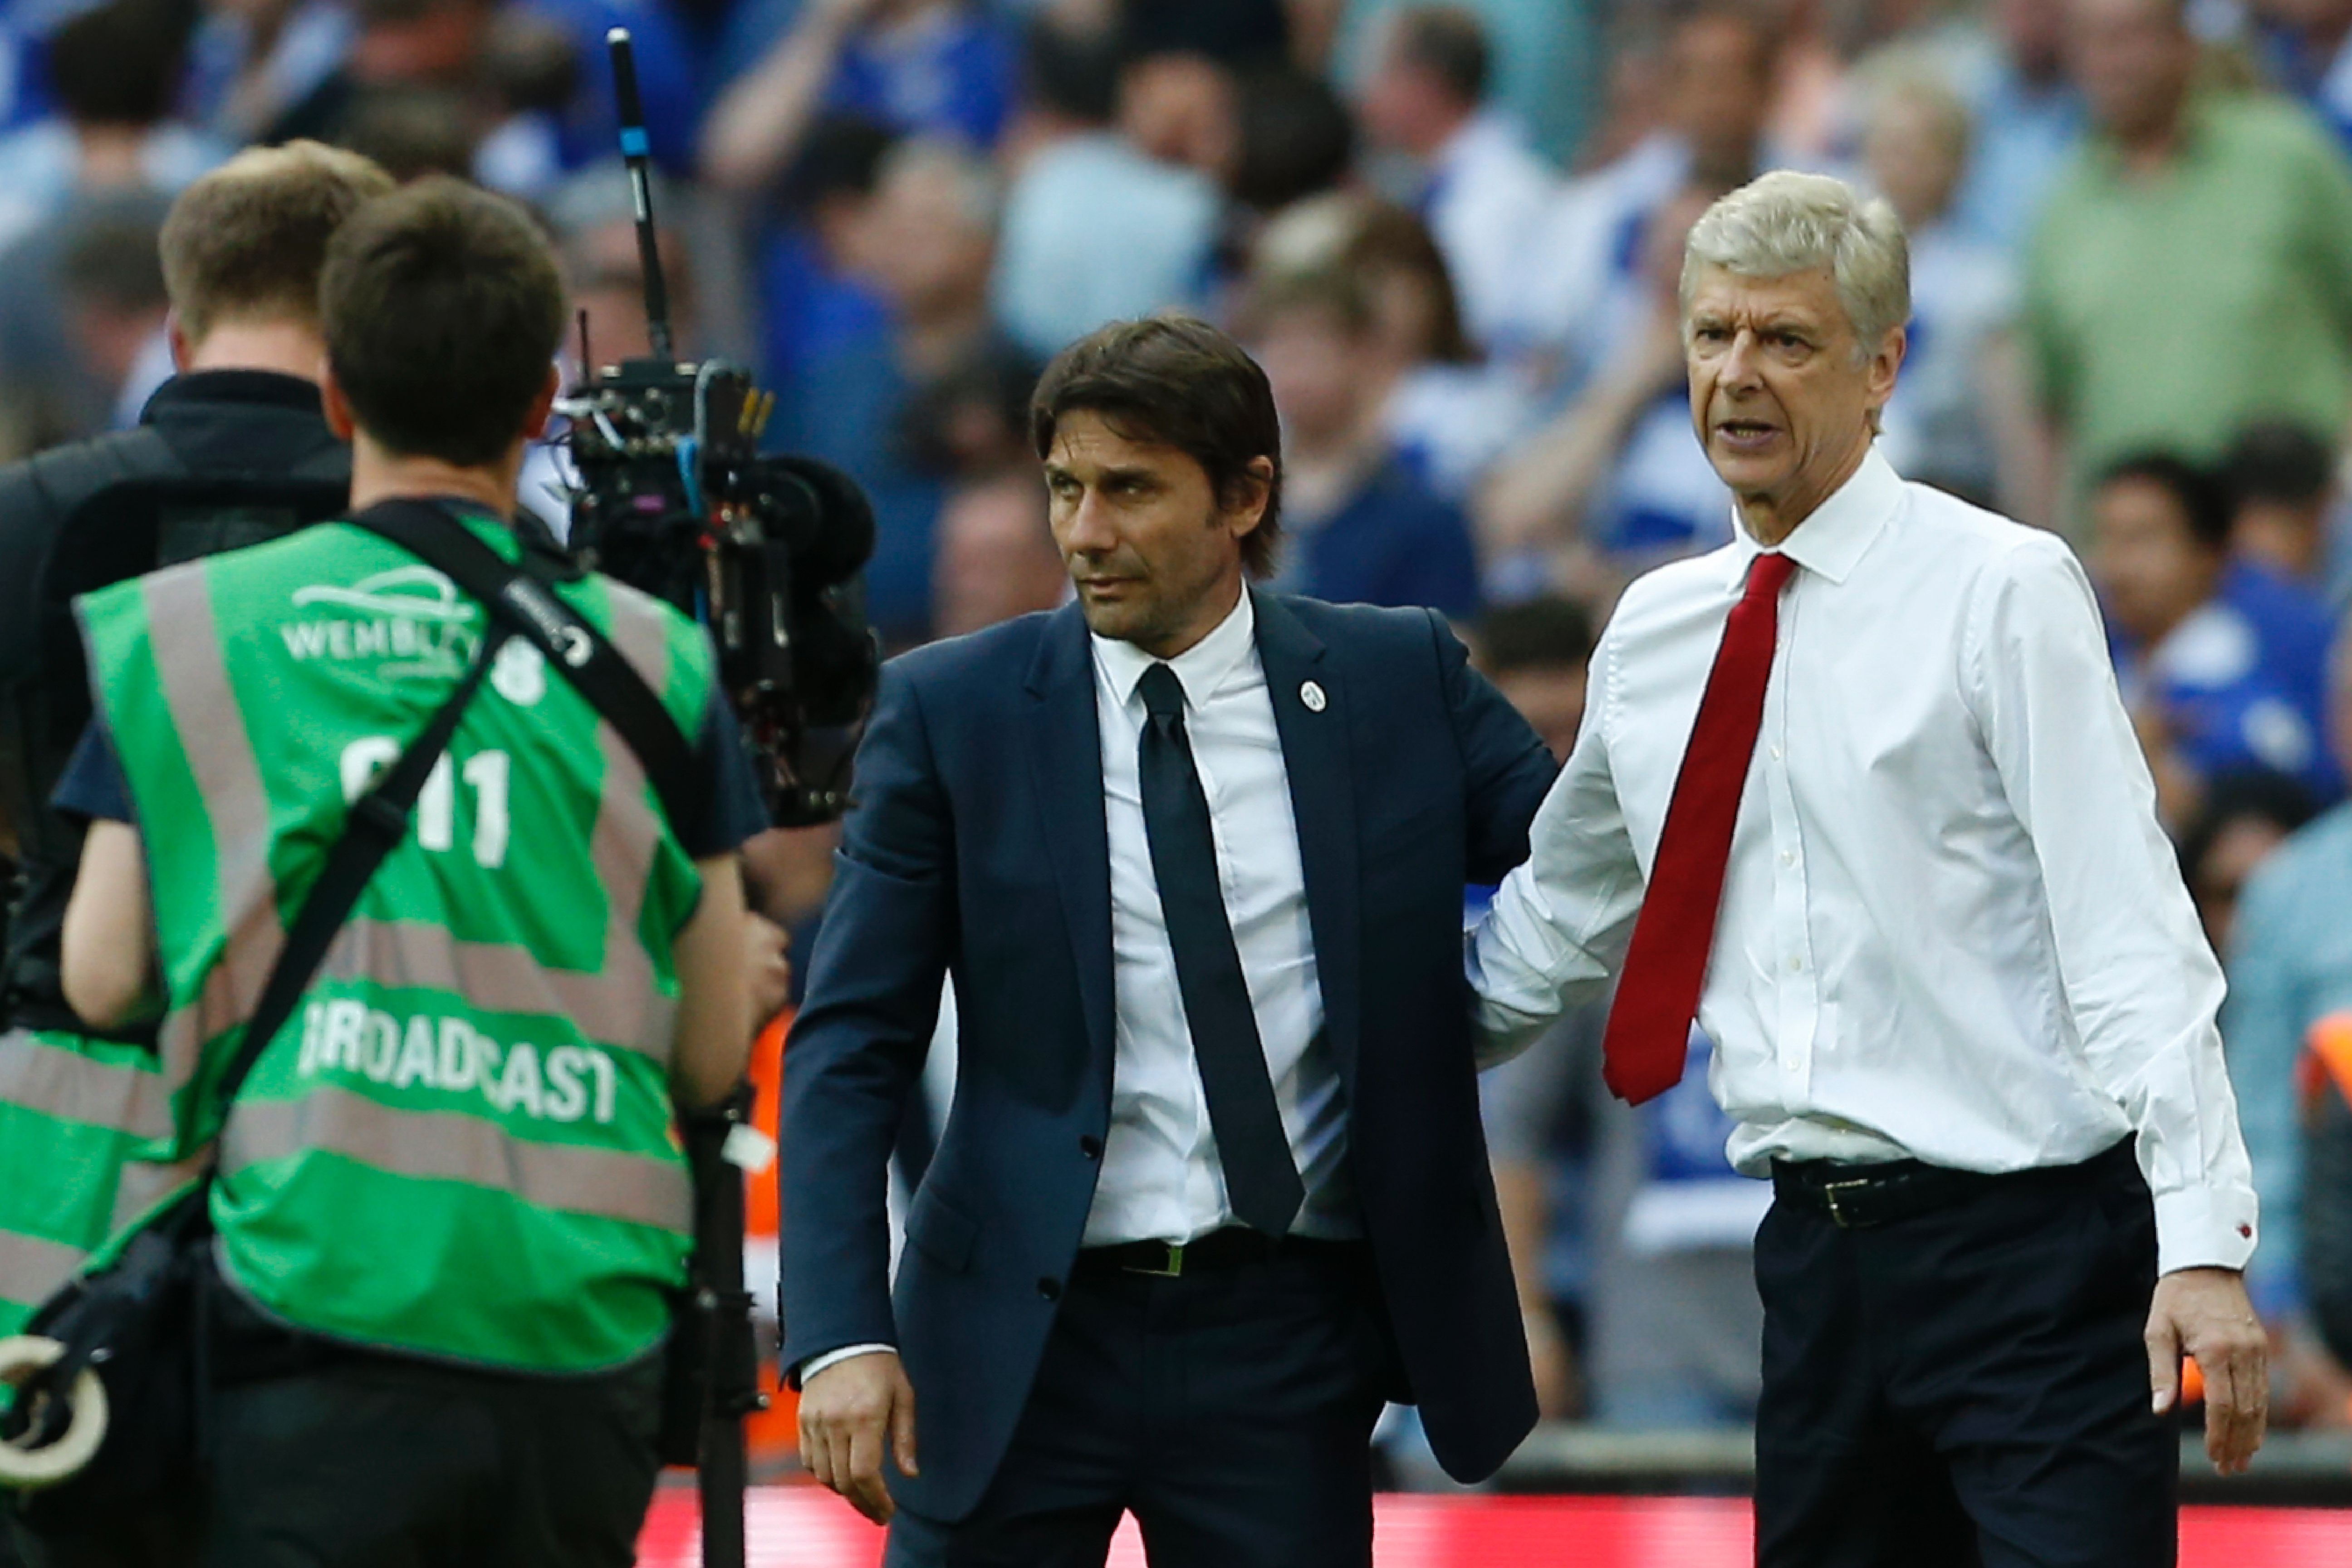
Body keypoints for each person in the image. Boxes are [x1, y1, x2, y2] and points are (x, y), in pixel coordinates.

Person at [1470, 171, 2267, 1566]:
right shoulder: (1654, 633)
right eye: (1712, 336)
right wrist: (1334, 1031)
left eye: (1785, 340)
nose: (1737, 374)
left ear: (1883, 366)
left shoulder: (2002, 588)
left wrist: (2201, 1240)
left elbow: (2129, 925)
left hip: (2036, 1262)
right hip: (1816, 1271)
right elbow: (1556, 920)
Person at [51, 176, 766, 1567]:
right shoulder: (661, 662)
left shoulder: (187, 630)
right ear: (538, 402)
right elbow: (708, 1053)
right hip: (585, 1320)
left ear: (336, 398)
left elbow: (103, 971)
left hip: (316, 1293)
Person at [781, 313, 1556, 1566]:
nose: (1085, 533)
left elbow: (1573, 860)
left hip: (1288, 1338)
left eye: (1130, 490)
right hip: (1006, 1341)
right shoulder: (950, 711)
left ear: (1246, 495)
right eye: (1066, 489)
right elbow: (851, 1038)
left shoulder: (1394, 678)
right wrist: (841, 1330)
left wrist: (1487, 1009)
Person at [0, 137, 387, 1568]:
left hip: (60, 1132)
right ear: (366, 322)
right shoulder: (438, 556)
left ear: (177, 322)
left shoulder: (22, 520)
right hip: (361, 1122)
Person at [2025, 0, 2352, 533]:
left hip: (2289, 548)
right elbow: (2049, 411)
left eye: (2132, 37)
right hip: (2131, 570)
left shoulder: (2288, 160)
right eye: (2093, 41)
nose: (2113, 61)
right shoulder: (2060, 207)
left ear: (2184, 43)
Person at [2089, 452, 2340, 817]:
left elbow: (2283, 794)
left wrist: (2154, 758)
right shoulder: (2096, 656)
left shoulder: (2237, 664)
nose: (2118, 565)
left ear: (2208, 553)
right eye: (2106, 537)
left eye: (2141, 539)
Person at [1249, 267, 1481, 616]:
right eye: (1280, 347)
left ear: (1364, 356)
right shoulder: (1234, 506)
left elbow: (1452, 650)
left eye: (1313, 348)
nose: (1294, 369)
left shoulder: (1423, 518)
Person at [1353, 5, 1555, 353]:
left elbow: (1469, 330)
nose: (1364, 95)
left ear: (1426, 84)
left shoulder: (1504, 193)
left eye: (1381, 75)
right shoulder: (1429, 181)